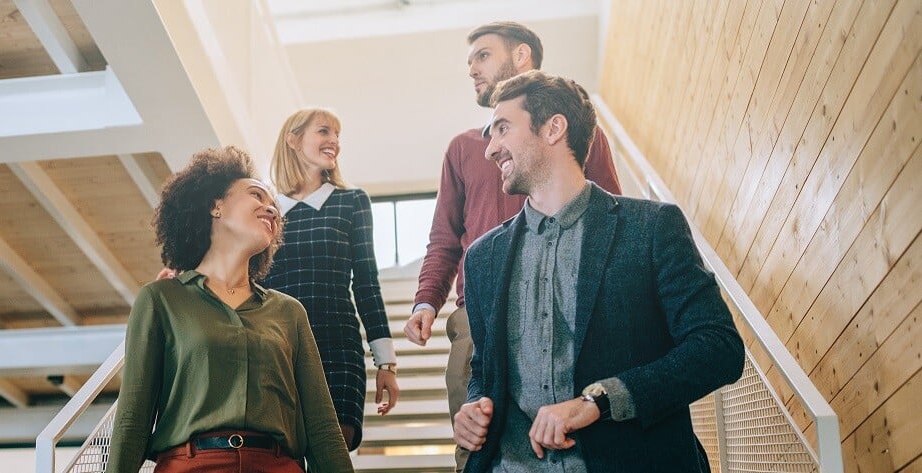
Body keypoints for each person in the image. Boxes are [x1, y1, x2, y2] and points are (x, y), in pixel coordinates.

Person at [452, 70, 742, 472]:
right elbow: (485, 368)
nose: (490, 149)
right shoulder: (483, 258)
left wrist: (600, 401)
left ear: (554, 128)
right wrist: (474, 405)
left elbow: (718, 349)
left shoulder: (652, 228)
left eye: (503, 128)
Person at [400, 21, 623, 470]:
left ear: (522, 56)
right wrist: (427, 300)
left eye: (482, 55)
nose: (472, 69)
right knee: (477, 444)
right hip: (477, 313)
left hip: (572, 301)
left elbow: (611, 216)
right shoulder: (465, 149)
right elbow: (445, 236)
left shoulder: (578, 135)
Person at [110, 147, 354, 473]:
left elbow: (323, 430)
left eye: (274, 207)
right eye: (256, 195)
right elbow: (132, 421)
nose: (270, 208)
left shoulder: (289, 312)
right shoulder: (161, 300)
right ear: (216, 205)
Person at [265, 107, 399, 450]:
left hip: (339, 346)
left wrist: (387, 362)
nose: (334, 141)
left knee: (335, 447)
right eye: (324, 131)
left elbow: (367, 283)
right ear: (293, 140)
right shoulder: (267, 209)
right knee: (282, 456)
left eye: (337, 135)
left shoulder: (351, 201)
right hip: (278, 346)